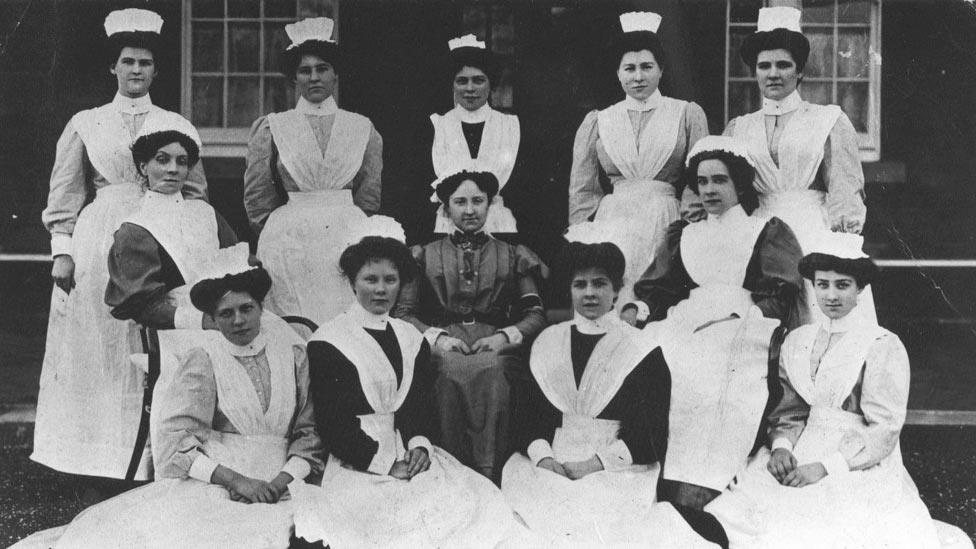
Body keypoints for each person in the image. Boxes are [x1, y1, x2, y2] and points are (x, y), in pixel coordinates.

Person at [13, 267, 323, 549]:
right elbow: (176, 441)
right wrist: (238, 482)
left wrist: (277, 484)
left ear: (261, 310)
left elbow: (309, 432)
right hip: (221, 483)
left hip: (284, 482)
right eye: (226, 314)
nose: (238, 320)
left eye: (246, 309)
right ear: (213, 320)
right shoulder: (205, 359)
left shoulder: (294, 357)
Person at [32, 8, 208, 492]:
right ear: (113, 67)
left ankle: (158, 451)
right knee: (102, 344)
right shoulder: (87, 122)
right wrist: (62, 250)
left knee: (161, 340)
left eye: (145, 63)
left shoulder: (176, 123)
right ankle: (100, 457)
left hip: (162, 232)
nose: (136, 71)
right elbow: (65, 192)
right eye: (128, 61)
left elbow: (195, 195)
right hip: (100, 237)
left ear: (155, 70)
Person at [706, 233, 972, 549]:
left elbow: (884, 428)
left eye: (842, 285)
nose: (831, 295)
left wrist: (824, 468)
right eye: (823, 285)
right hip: (804, 445)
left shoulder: (879, 344)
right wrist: (781, 447)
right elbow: (790, 409)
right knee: (750, 506)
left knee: (821, 523)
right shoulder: (798, 340)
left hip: (854, 458)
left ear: (860, 289)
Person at [291, 236, 522, 547]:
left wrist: (421, 447)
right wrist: (386, 464)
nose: (381, 289)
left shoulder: (408, 336)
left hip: (406, 450)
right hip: (358, 460)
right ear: (352, 284)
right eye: (370, 279)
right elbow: (334, 424)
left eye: (390, 280)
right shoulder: (329, 341)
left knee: (468, 508)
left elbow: (416, 408)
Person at [625, 136, 804, 520]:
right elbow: (661, 287)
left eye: (719, 181)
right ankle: (657, 480)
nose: (709, 190)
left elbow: (779, 291)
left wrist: (744, 317)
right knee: (652, 356)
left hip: (745, 320)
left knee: (715, 367)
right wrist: (639, 308)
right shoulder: (685, 233)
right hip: (686, 320)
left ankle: (703, 487)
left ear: (739, 184)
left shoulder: (763, 230)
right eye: (702, 182)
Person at [502, 241, 719, 547]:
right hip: (553, 459)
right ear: (570, 290)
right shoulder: (547, 342)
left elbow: (650, 434)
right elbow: (529, 415)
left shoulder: (641, 349)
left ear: (617, 291)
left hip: (617, 467)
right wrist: (544, 458)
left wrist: (591, 465)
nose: (589, 293)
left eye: (600, 283)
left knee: (595, 523)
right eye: (580, 284)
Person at [394, 170, 548, 480]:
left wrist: (505, 336)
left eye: (478, 201)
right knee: (446, 370)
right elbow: (404, 313)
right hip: (444, 343)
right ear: (446, 208)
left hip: (494, 344)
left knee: (495, 369)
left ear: (490, 205)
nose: (469, 210)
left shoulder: (512, 254)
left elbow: (536, 313)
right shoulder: (424, 255)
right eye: (460, 202)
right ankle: (451, 471)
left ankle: (491, 472)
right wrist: (437, 338)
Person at [725, 6, 872, 323]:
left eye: (783, 64)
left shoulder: (827, 120)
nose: (773, 73)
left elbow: (845, 190)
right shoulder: (739, 127)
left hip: (813, 234)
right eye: (764, 65)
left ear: (800, 71)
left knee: (813, 322)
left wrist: (843, 245)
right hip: (759, 237)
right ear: (755, 71)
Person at [244, 16, 382, 326]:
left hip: (346, 235)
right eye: (305, 71)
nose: (314, 77)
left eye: (322, 69)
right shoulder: (273, 126)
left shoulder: (361, 127)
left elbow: (369, 195)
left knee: (345, 322)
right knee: (294, 323)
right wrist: (280, 233)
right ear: (294, 78)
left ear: (335, 75)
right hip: (290, 241)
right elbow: (258, 197)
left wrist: (348, 223)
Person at [568, 11, 708, 305]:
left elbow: (698, 177)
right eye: (629, 68)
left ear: (661, 70)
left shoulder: (685, 113)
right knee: (618, 299)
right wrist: (584, 238)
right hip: (615, 221)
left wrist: (689, 225)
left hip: (666, 218)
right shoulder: (599, 120)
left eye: (647, 66)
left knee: (659, 299)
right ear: (618, 73)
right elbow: (583, 188)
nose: (638, 76)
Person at [424, 34, 521, 237]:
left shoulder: (510, 127)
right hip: (446, 229)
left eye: (478, 80)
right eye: (462, 81)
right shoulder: (437, 126)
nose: (470, 89)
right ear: (452, 84)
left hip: (501, 228)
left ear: (491, 84)